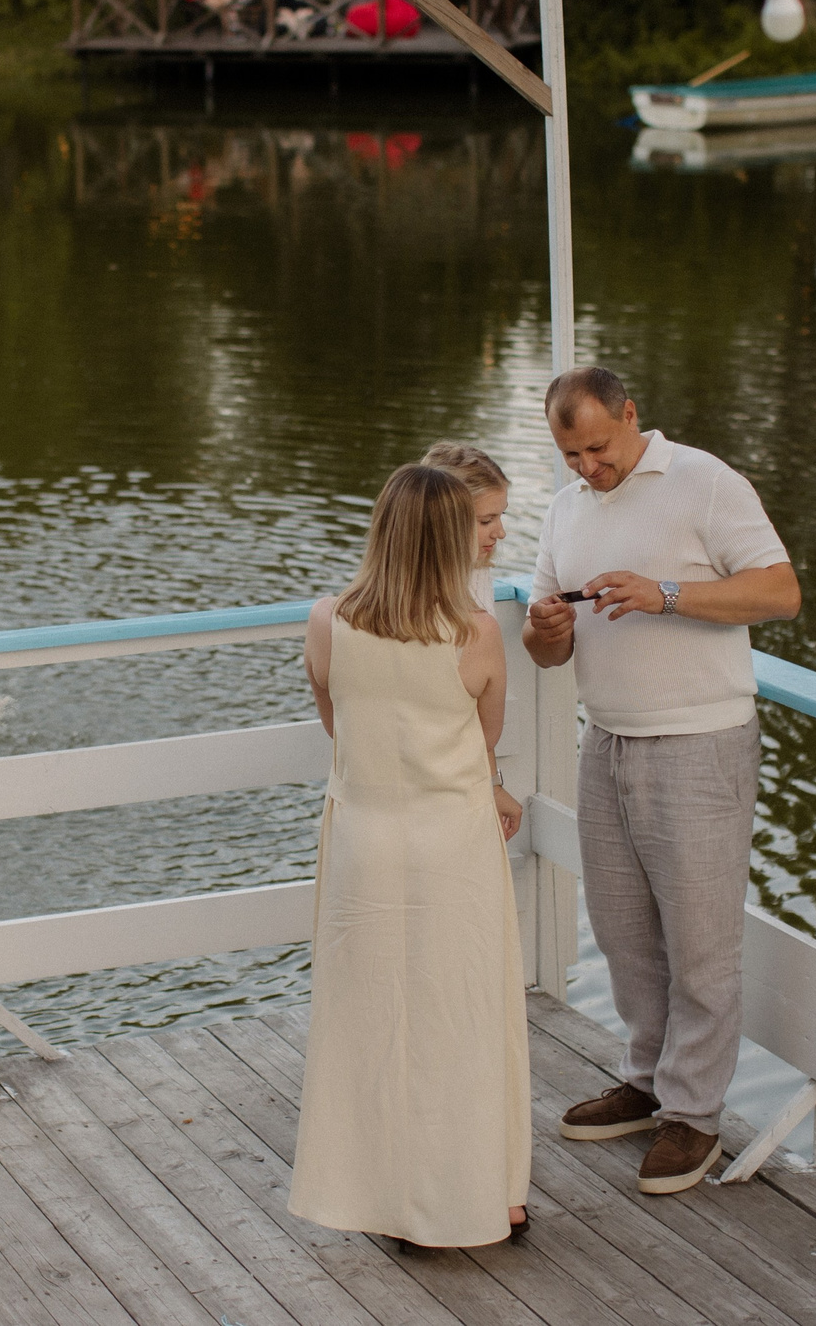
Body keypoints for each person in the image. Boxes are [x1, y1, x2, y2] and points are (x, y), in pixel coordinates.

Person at [521, 366, 800, 1195]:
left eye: (597, 448)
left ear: (632, 414)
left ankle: (695, 1116)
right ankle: (647, 1080)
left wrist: (666, 593)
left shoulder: (704, 481)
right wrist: (545, 627)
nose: (586, 468)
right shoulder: (566, 509)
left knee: (701, 943)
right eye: (570, 453)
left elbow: (780, 593)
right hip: (605, 740)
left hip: (700, 740)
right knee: (623, 931)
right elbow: (546, 652)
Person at [290, 463, 531, 1249]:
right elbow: (484, 736)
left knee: (372, 1021)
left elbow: (337, 724)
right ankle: (482, 1196)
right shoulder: (477, 633)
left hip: (364, 839)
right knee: (463, 1019)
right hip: (451, 844)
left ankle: (383, 1195)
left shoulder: (328, 620)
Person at [420, 441, 509, 613]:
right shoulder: (419, 590)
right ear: (445, 521)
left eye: (501, 515)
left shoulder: (478, 567)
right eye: (486, 521)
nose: (500, 533)